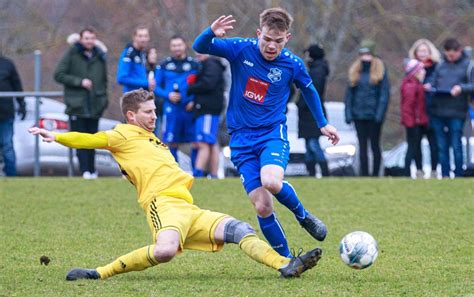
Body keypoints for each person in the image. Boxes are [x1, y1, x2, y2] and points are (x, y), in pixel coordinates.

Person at [28, 89, 323, 280]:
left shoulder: (153, 139)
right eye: (148, 112)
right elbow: (91, 139)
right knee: (165, 251)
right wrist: (58, 137)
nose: (154, 115)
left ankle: (285, 265)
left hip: (187, 208)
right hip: (163, 206)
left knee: (240, 229)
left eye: (155, 110)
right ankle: (98, 273)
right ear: (132, 115)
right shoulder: (122, 133)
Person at [193, 8, 340, 258]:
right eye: (267, 39)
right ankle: (286, 260)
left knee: (271, 181)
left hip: (272, 134)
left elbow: (309, 90)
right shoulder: (241, 49)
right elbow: (200, 46)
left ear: (287, 38)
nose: (272, 46)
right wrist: (211, 33)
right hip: (240, 139)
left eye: (278, 41)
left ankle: (302, 216)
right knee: (262, 207)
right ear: (259, 33)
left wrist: (322, 123)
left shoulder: (292, 63)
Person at [54, 28, 108, 179]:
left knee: (93, 140)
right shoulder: (72, 54)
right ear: (80, 39)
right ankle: (85, 170)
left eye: (92, 38)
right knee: (80, 139)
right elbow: (59, 75)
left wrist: (103, 99)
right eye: (86, 38)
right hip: (77, 105)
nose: (89, 41)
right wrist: (79, 82)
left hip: (95, 105)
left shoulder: (99, 56)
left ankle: (92, 170)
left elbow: (104, 81)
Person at [428, 38, 474, 178]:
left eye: (453, 55)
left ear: (459, 51)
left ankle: (458, 174)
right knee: (442, 146)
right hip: (438, 110)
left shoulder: (469, 66)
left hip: (457, 111)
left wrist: (461, 88)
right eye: (447, 55)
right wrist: (430, 87)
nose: (450, 57)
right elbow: (433, 81)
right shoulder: (440, 65)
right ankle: (445, 174)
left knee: (456, 144)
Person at [344, 39, 390, 177]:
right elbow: (349, 96)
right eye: (363, 54)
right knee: (362, 146)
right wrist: (348, 114)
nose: (365, 57)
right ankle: (364, 174)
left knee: (375, 145)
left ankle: (376, 174)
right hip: (359, 115)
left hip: (374, 116)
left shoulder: (380, 71)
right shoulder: (355, 72)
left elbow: (384, 95)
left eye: (368, 54)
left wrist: (379, 115)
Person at [154, 35, 199, 164]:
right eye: (174, 45)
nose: (177, 48)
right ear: (170, 47)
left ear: (184, 45)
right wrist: (168, 95)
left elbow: (200, 85)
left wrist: (194, 100)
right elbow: (155, 87)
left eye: (179, 45)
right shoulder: (164, 65)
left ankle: (197, 174)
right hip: (171, 109)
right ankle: (174, 172)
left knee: (195, 141)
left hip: (189, 108)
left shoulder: (194, 65)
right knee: (172, 141)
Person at [187, 53, 226, 178]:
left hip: (208, 109)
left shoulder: (211, 64)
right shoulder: (206, 65)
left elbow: (208, 84)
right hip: (207, 109)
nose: (197, 54)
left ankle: (198, 172)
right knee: (211, 141)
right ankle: (213, 174)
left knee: (204, 142)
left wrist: (192, 87)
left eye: (201, 51)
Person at [296, 44, 330, 177]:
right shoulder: (317, 70)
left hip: (310, 113)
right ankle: (311, 173)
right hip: (307, 114)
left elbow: (311, 92)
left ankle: (324, 172)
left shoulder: (317, 71)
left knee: (313, 143)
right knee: (309, 144)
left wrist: (301, 104)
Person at [408, 39, 441, 178]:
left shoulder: (437, 68)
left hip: (432, 112)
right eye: (420, 51)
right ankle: (419, 170)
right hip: (416, 114)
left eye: (425, 51)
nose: (422, 53)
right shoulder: (410, 69)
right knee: (416, 145)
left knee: (434, 143)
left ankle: (434, 170)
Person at [400, 59, 428, 178]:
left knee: (416, 148)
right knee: (412, 148)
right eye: (421, 69)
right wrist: (410, 123)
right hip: (413, 123)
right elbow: (407, 107)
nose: (424, 72)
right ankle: (406, 172)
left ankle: (419, 170)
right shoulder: (411, 86)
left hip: (417, 122)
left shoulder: (417, 85)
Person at [0, 56, 26, 176]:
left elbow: (17, 85)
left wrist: (21, 103)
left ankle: (11, 176)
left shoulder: (7, 64)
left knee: (7, 145)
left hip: (5, 112)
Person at [117, 26, 155, 94]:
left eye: (145, 36)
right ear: (134, 37)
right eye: (140, 36)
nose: (143, 39)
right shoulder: (129, 54)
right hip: (131, 97)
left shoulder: (142, 53)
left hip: (142, 95)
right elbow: (121, 79)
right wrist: (146, 83)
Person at [145, 47, 163, 138]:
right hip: (145, 106)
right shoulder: (142, 70)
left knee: (155, 135)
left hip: (157, 108)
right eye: (151, 53)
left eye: (154, 53)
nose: (153, 56)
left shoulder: (159, 70)